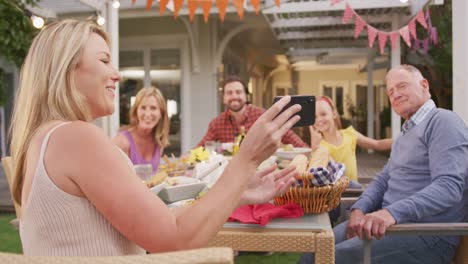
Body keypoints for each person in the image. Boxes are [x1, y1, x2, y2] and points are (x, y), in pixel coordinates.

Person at [9, 19, 302, 256]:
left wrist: (237, 192)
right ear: (66, 71)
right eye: (104, 61)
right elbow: (173, 239)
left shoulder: (46, 138)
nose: (117, 75)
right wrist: (247, 159)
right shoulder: (76, 138)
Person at [299, 64, 468, 264]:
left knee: (326, 259)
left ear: (424, 85)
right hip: (390, 226)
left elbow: (449, 187)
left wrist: (390, 213)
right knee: (314, 252)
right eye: (390, 91)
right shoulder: (406, 132)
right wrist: (359, 209)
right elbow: (382, 180)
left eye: (402, 86)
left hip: (425, 234)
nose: (395, 94)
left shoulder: (443, 121)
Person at [197, 75, 308, 148]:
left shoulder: (262, 116)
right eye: (229, 93)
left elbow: (290, 137)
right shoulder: (217, 123)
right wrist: (186, 157)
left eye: (238, 92)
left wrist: (307, 151)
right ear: (224, 98)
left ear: (246, 96)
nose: (234, 96)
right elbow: (201, 148)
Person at [309, 96, 392, 189]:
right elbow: (326, 173)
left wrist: (403, 139)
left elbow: (377, 144)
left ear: (334, 114)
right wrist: (315, 148)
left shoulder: (349, 134)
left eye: (323, 114)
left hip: (353, 193)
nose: (319, 119)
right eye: (315, 117)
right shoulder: (319, 145)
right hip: (332, 196)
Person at [112, 86, 169, 172]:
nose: (148, 114)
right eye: (143, 108)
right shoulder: (122, 141)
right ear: (136, 112)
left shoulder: (158, 143)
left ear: (161, 113)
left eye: (153, 108)